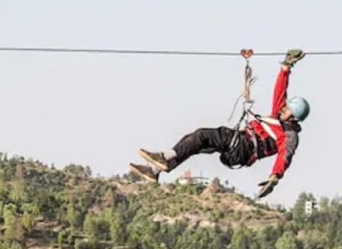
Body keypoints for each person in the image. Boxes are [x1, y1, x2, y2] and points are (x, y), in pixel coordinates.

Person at [129, 49, 310, 199]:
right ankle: (155, 169)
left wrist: (274, 178)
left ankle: (163, 157)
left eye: (287, 110)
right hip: (241, 143)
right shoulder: (279, 115)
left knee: (202, 134)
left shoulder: (289, 135)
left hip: (243, 148)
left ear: (293, 117)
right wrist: (286, 66)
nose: (282, 109)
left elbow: (285, 157)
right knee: (193, 142)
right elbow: (280, 90)